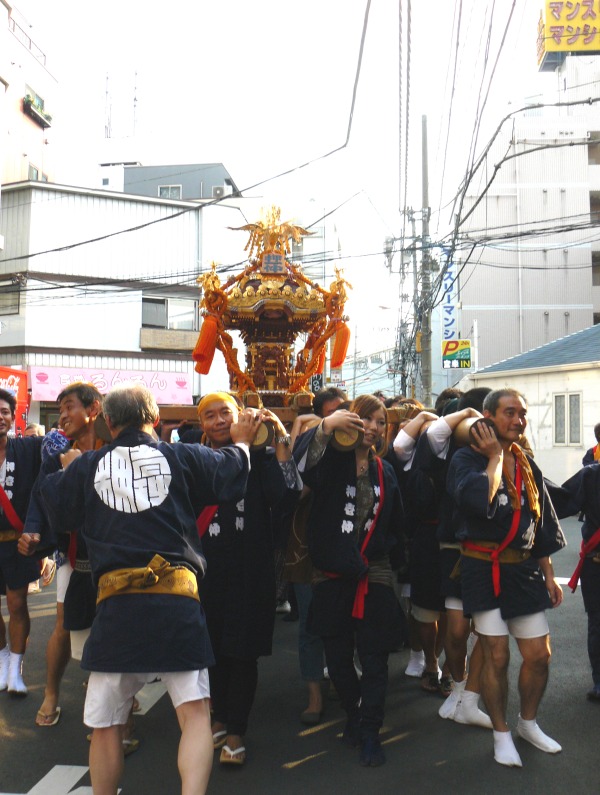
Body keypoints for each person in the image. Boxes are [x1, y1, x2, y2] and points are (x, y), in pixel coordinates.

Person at [35, 383, 257, 795]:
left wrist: (64, 467)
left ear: (108, 422)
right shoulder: (180, 455)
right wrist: (242, 443)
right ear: (154, 419)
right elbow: (230, 474)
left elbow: (58, 511)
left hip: (116, 607)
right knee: (195, 715)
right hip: (177, 602)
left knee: (106, 726)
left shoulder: (88, 465)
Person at [447, 388, 566, 768]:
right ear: (488, 417)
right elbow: (477, 501)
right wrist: (495, 456)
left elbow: (539, 523)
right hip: (483, 568)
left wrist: (549, 574)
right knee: (496, 655)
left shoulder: (527, 463)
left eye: (522, 413)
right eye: (509, 412)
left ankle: (527, 724)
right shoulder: (465, 459)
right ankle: (501, 733)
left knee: (539, 655)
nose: (518, 420)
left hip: (523, 570)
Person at [295, 394, 406, 767]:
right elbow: (299, 470)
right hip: (331, 573)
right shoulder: (329, 462)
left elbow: (397, 524)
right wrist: (325, 427)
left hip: (374, 571)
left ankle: (371, 729)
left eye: (380, 422)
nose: (373, 428)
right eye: (366, 419)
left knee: (374, 658)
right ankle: (354, 713)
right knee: (338, 659)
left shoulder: (385, 471)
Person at [196, 392, 301, 767]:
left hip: (250, 573)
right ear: (201, 424)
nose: (219, 421)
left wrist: (279, 437)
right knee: (211, 652)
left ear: (240, 416)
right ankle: (219, 716)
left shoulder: (262, 458)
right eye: (210, 415)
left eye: (225, 412)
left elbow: (287, 497)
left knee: (242, 654)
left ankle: (236, 730)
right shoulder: (196, 458)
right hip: (206, 574)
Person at [19, 383, 104, 729]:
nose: (64, 415)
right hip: (74, 555)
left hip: (116, 555)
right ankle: (51, 693)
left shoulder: (114, 447)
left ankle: (114, 704)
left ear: (93, 409)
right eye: (61, 409)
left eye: (70, 407)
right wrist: (32, 532)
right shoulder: (57, 453)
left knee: (114, 626)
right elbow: (40, 496)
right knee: (63, 626)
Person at [0, 387, 44, 695]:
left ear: (13, 416)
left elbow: (62, 445)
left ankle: (15, 667)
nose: (0, 417)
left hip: (17, 542)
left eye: (4, 411)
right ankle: (2, 657)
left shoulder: (28, 448)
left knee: (17, 604)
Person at [550, 461, 600, 701]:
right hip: (596, 561)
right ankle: (599, 679)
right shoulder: (591, 476)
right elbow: (560, 499)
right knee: (598, 621)